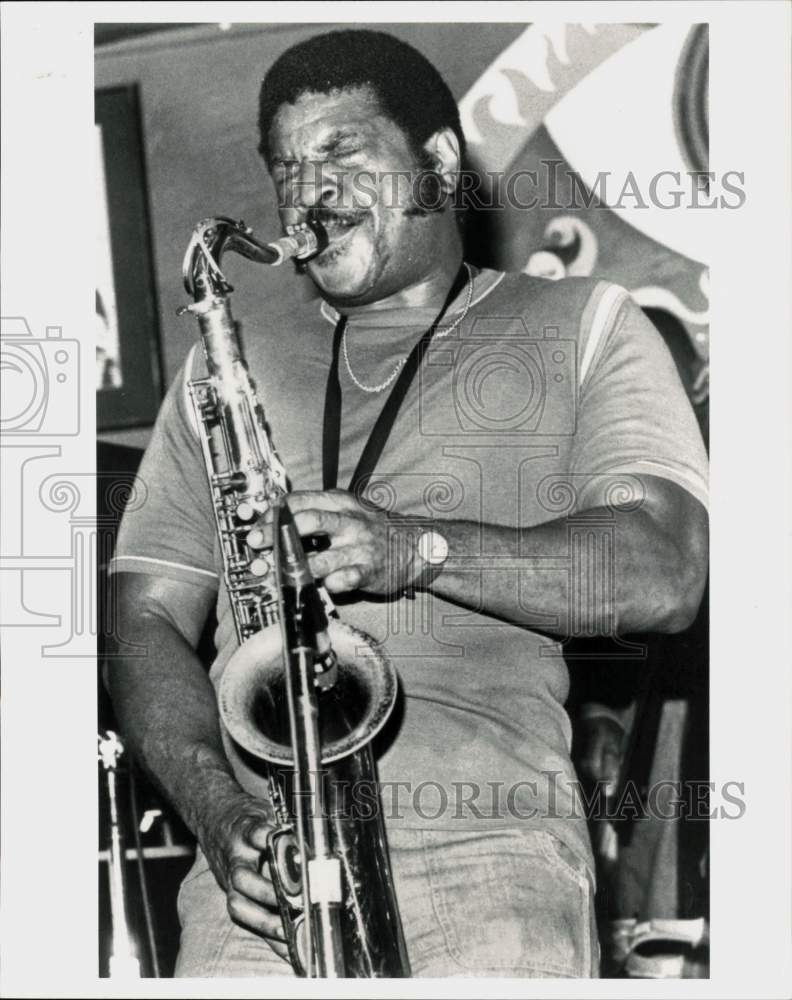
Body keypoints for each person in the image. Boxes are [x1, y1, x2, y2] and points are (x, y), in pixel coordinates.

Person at [107, 29, 709, 978]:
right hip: (261, 889)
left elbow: (664, 571)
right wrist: (220, 817)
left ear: (436, 162)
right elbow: (142, 614)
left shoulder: (584, 323)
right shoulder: (226, 366)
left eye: (342, 152)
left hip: (493, 860)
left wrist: (416, 550)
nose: (308, 191)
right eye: (287, 167)